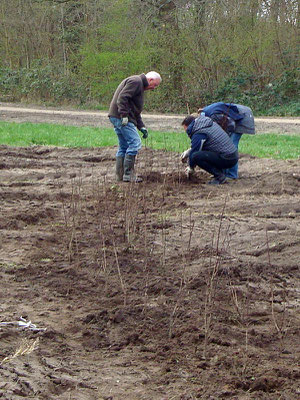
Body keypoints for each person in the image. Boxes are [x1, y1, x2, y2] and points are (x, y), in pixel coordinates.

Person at [108, 71, 162, 182]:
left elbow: (134, 110)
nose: (154, 88)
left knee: (124, 146)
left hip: (117, 116)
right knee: (135, 143)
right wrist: (123, 115)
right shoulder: (136, 82)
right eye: (155, 85)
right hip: (121, 117)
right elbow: (122, 98)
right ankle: (128, 175)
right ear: (150, 80)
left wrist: (141, 126)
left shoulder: (139, 85)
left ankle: (120, 176)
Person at [198, 102, 255, 179]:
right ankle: (224, 173)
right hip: (236, 117)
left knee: (231, 146)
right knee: (223, 146)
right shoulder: (207, 113)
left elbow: (231, 124)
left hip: (242, 117)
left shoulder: (212, 115)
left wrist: (225, 137)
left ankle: (232, 175)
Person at [180, 114, 239, 185]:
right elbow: (202, 145)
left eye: (185, 129)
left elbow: (195, 151)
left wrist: (190, 167)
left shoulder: (199, 132)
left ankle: (219, 176)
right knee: (201, 154)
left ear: (188, 126)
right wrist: (189, 151)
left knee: (196, 156)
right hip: (231, 155)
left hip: (227, 158)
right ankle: (220, 173)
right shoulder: (206, 124)